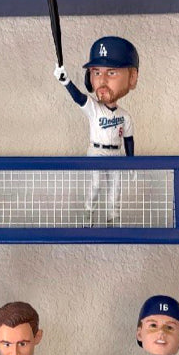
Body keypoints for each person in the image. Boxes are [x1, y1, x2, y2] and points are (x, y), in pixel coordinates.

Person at [54, 36, 138, 225]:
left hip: (116, 153)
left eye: (111, 72)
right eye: (97, 72)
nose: (102, 80)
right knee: (96, 185)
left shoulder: (125, 116)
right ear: (89, 78)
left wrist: (132, 162)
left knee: (115, 188)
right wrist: (66, 82)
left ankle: (113, 218)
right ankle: (88, 213)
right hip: (97, 150)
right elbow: (79, 98)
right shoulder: (94, 108)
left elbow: (129, 140)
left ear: (132, 78)